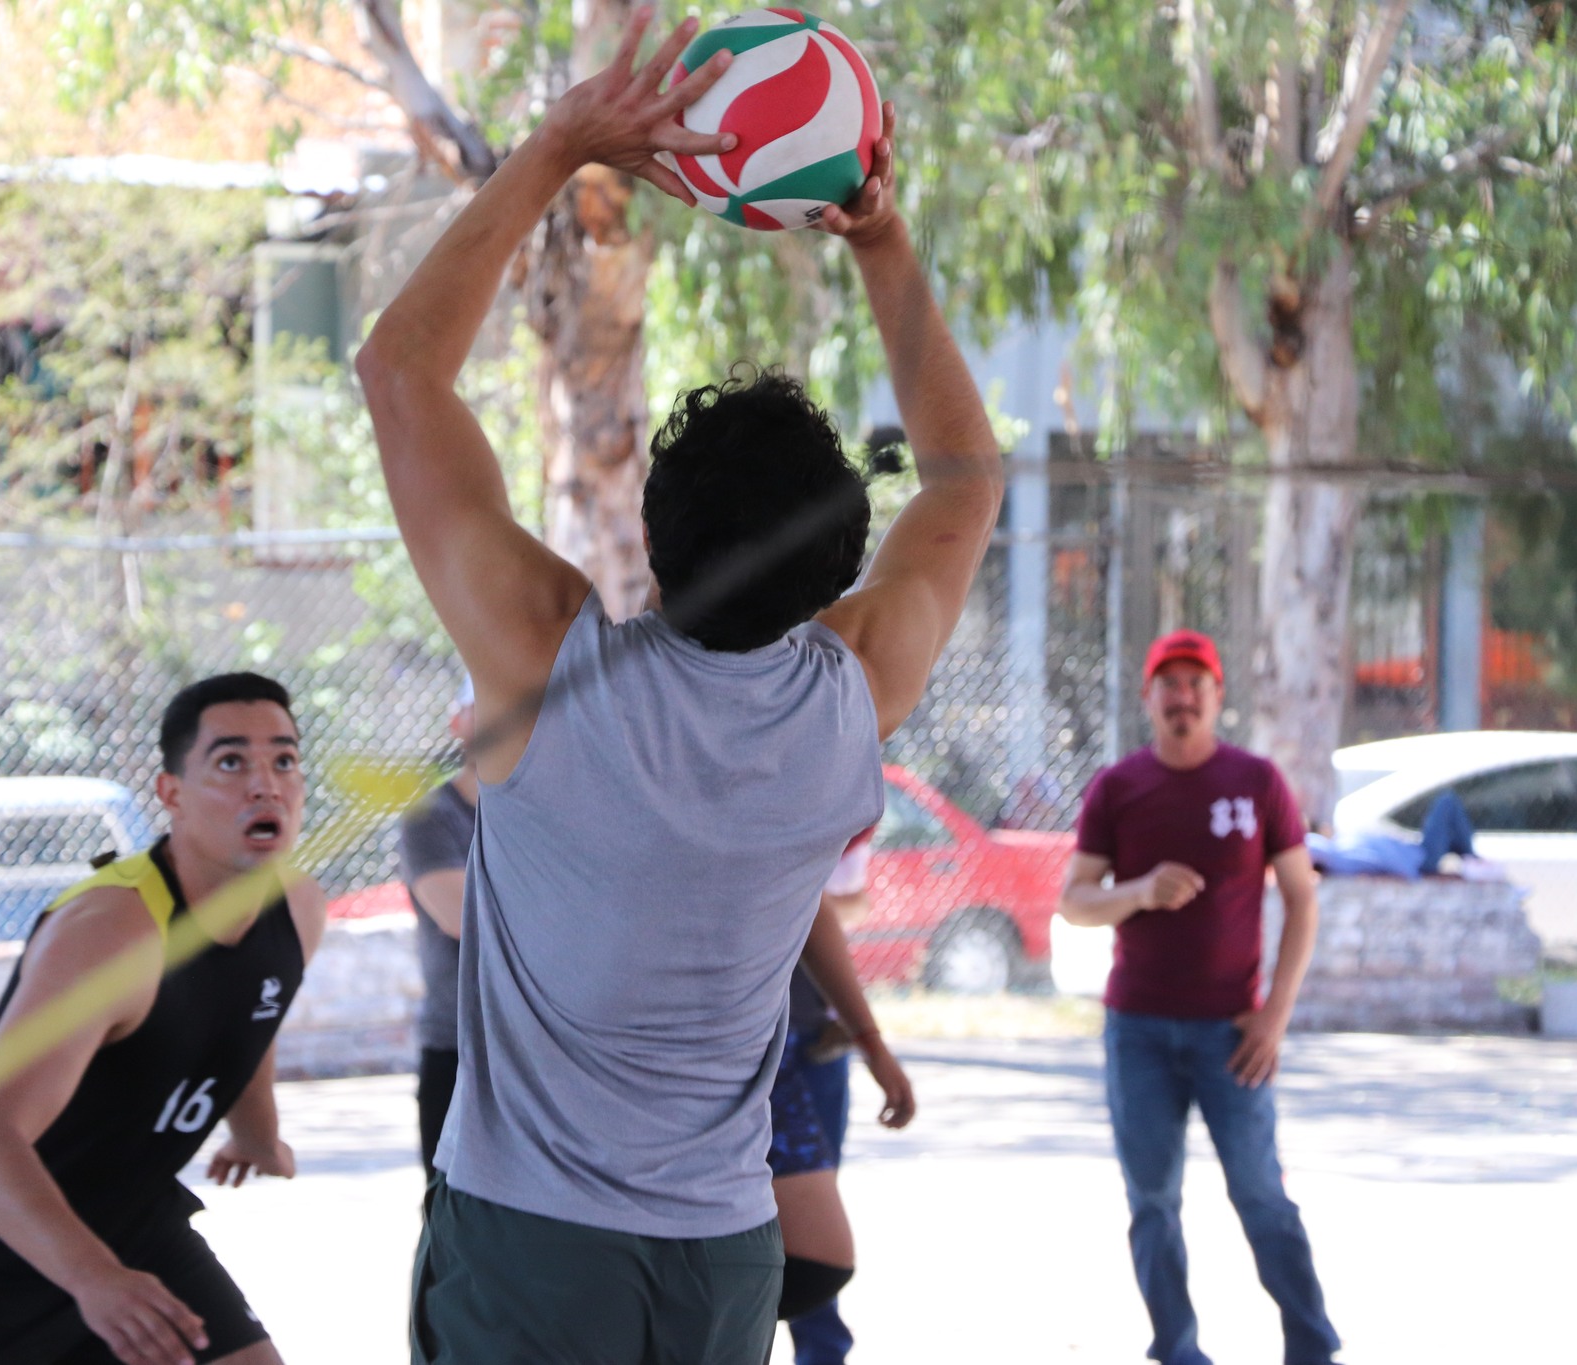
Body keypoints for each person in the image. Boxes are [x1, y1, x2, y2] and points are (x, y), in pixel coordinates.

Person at [354, 10, 1003, 1361]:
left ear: (654, 532)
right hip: (720, 1249)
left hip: (533, 1245)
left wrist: (560, 146)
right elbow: (964, 479)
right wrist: (882, 243)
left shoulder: (549, 665)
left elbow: (401, 373)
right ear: (837, 573)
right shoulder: (856, 691)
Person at [0, 673, 329, 1365]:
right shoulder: (113, 931)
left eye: (284, 759)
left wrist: (259, 1134)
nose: (265, 784)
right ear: (171, 794)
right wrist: (94, 1279)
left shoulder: (297, 908)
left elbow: (249, 1014)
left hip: (129, 1221)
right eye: (230, 761)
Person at [1056, 630, 1340, 1365]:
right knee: (1152, 1198)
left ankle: (1312, 1344)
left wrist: (1276, 1014)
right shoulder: (1119, 787)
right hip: (1139, 1030)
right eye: (1169, 685)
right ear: (1149, 698)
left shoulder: (1257, 782)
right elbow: (1075, 901)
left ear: (1218, 698)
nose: (1183, 698)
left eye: (1196, 685)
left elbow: (1303, 900)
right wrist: (1141, 890)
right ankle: (1177, 1348)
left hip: (1233, 1034)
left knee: (1260, 1193)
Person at [771, 832, 913, 1361]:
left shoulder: (780, 807)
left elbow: (815, 900)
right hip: (661, 1063)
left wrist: (868, 1040)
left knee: (812, 1256)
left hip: (792, 1041)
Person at [400, 677, 478, 1181]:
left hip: (548, 1047)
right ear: (458, 723)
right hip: (459, 1044)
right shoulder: (431, 815)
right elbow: (461, 917)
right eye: (485, 706)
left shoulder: (563, 811)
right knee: (449, 1218)